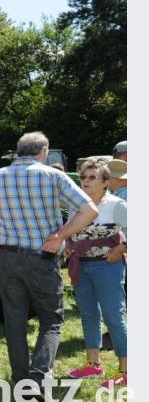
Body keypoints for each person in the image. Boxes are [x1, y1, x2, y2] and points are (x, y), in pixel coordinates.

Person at [0, 131, 98, 402]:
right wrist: (61, 234)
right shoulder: (52, 176)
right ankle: (37, 380)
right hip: (42, 255)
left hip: (7, 255)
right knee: (51, 320)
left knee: (14, 321)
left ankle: (22, 383)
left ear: (18, 151)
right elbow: (89, 210)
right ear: (43, 151)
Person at [65, 161, 127, 388]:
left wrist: (121, 249)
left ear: (106, 182)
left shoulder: (118, 205)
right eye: (84, 177)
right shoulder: (77, 206)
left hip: (108, 267)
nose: (86, 181)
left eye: (92, 177)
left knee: (113, 317)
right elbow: (71, 234)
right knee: (89, 314)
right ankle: (93, 365)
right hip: (82, 266)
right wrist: (69, 245)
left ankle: (126, 371)